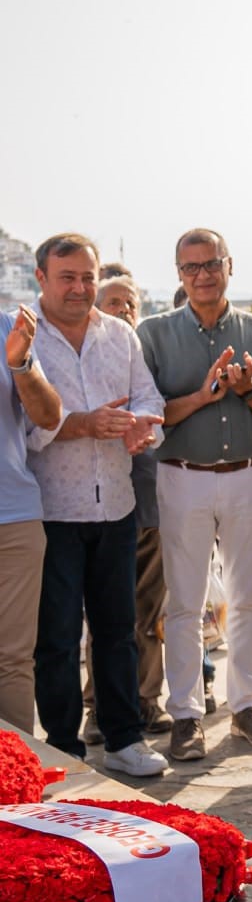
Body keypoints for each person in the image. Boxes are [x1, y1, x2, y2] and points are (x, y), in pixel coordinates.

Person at [138, 227, 252, 760]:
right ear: (179, 274)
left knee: (248, 597)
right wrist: (204, 397)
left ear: (230, 265)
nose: (202, 274)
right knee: (183, 602)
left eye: (211, 264)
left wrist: (248, 390)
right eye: (191, 267)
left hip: (249, 474)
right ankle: (186, 715)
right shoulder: (152, 334)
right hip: (182, 476)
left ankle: (246, 706)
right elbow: (151, 412)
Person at [24, 235, 167, 777]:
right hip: (53, 508)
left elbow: (149, 399)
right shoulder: (23, 339)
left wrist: (140, 430)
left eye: (88, 276)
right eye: (68, 277)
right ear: (41, 278)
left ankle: (124, 739)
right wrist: (81, 424)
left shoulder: (121, 335)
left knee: (118, 629)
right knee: (56, 639)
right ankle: (63, 747)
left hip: (117, 505)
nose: (81, 287)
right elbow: (20, 427)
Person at [81, 275, 172, 740]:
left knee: (150, 614)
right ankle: (97, 707)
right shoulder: (90, 359)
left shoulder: (147, 356)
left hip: (151, 507)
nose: (123, 310)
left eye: (129, 303)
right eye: (112, 302)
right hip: (98, 508)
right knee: (106, 616)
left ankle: (147, 702)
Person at [0, 299, 62, 733]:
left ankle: (13, 786)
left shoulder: (9, 328)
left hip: (14, 519)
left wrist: (21, 364)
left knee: (12, 659)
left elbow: (48, 416)